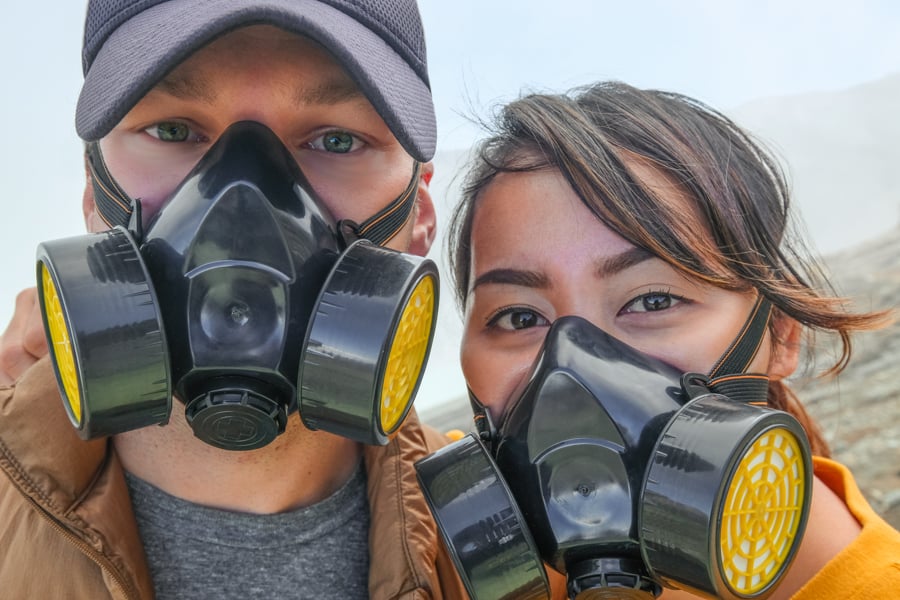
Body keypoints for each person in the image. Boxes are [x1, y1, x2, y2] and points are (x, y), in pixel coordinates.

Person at [0, 1, 467, 598]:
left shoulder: (500, 549)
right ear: (94, 189)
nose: (243, 203)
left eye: (336, 139)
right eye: (172, 130)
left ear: (420, 210)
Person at [433, 81, 900, 599]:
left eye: (653, 301)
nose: (569, 374)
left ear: (780, 334)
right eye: (519, 317)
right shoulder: (417, 533)